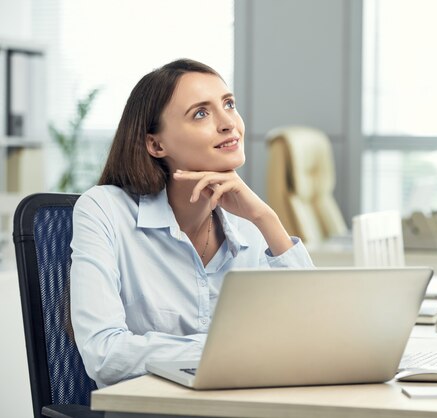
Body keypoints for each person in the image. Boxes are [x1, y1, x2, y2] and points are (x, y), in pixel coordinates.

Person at [70, 59, 314, 388]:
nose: (229, 123)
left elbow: (312, 333)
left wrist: (266, 219)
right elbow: (104, 353)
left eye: (229, 104)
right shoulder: (103, 210)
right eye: (201, 113)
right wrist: (230, 350)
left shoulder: (248, 224)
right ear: (156, 144)